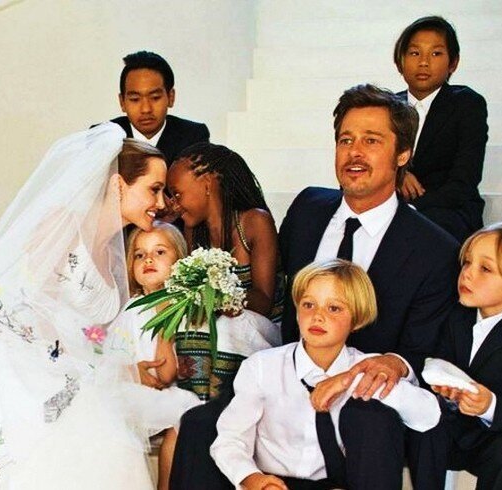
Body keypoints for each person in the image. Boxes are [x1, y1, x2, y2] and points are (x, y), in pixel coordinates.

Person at [0, 124, 169, 489]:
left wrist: (123, 365)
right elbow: (29, 305)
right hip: (20, 357)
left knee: (111, 433)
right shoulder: (61, 225)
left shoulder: (116, 255)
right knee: (95, 433)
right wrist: (88, 368)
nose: (162, 203)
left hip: (70, 362)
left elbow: (94, 332)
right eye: (153, 189)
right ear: (118, 185)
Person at [278, 83, 459, 489]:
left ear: (403, 153)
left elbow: (422, 348)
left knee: (368, 419)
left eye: (371, 141)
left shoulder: (435, 249)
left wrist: (396, 363)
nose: (354, 153)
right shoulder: (307, 209)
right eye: (346, 140)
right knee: (199, 421)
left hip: (364, 400)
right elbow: (278, 298)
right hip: (287, 385)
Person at [211, 259, 441, 490]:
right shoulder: (262, 367)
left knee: (375, 417)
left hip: (340, 485)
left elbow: (428, 415)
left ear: (357, 319)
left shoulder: (365, 367)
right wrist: (253, 479)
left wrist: (347, 379)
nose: (318, 316)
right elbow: (230, 440)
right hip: (274, 483)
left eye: (334, 308)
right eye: (308, 305)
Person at [166, 142, 284, 488]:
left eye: (177, 193)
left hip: (258, 330)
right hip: (217, 332)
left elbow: (264, 300)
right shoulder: (194, 231)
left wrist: (224, 298)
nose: (174, 204)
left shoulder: (254, 222)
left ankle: (216, 403)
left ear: (206, 182)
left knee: (228, 324)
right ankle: (196, 404)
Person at [414, 223, 502, 490]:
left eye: (485, 269)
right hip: (445, 431)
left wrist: (489, 405)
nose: (467, 273)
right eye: (467, 263)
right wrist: (445, 392)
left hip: (489, 439)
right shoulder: (455, 315)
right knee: (425, 420)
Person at [107, 221, 202, 490]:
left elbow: (165, 373)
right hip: (132, 390)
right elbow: (114, 357)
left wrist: (165, 321)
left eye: (160, 252)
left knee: (186, 412)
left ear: (180, 261)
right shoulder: (132, 307)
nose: (148, 259)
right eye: (140, 255)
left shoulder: (182, 306)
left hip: (162, 391)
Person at [393, 16, 488, 242]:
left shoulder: (467, 104)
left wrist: (406, 210)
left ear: (453, 63)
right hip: (390, 203)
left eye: (435, 53)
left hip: (447, 210)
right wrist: (397, 174)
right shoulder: (386, 107)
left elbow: (463, 182)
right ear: (400, 62)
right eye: (414, 53)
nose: (423, 62)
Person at [101, 50, 210, 165]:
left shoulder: (193, 136)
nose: (146, 109)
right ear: (122, 102)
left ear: (171, 97)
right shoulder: (104, 137)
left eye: (155, 97)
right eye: (135, 99)